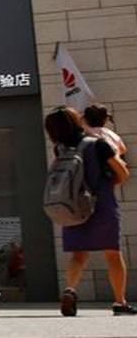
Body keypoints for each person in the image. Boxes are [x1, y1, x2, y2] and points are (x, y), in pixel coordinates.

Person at [45, 107, 135, 316]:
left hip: (73, 206)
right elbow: (123, 173)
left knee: (78, 254)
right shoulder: (98, 144)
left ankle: (70, 290)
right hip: (101, 203)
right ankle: (119, 301)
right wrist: (108, 184)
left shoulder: (60, 149)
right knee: (113, 254)